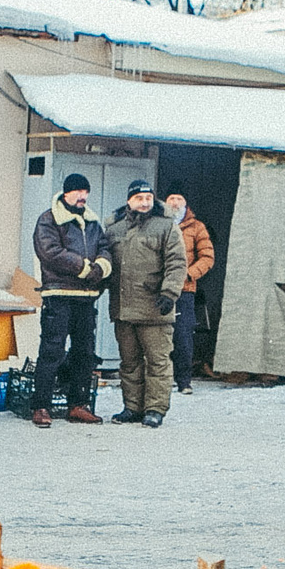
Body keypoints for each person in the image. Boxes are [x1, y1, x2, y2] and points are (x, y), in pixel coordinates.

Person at [29, 173, 111, 428]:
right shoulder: (48, 219)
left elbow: (105, 247)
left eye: (85, 192)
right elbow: (50, 252)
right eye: (78, 192)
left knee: (84, 353)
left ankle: (78, 404)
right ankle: (41, 406)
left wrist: (103, 266)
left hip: (86, 297)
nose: (82, 196)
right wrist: (84, 268)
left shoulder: (93, 222)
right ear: (66, 193)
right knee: (52, 350)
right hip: (59, 294)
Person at [106, 179, 186, 428]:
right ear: (129, 201)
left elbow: (177, 262)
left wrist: (170, 293)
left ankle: (155, 409)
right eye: (139, 198)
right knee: (129, 363)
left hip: (155, 307)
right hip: (123, 308)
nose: (144, 203)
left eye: (148, 198)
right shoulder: (114, 229)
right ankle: (132, 407)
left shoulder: (166, 226)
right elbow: (106, 262)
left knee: (157, 362)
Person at [166, 189, 214, 394]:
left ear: (185, 203)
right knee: (156, 336)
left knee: (183, 335)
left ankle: (184, 380)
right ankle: (160, 379)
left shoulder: (197, 227)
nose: (175, 202)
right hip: (159, 289)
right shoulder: (158, 223)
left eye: (179, 199)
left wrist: (189, 274)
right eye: (171, 198)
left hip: (184, 290)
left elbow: (207, 257)